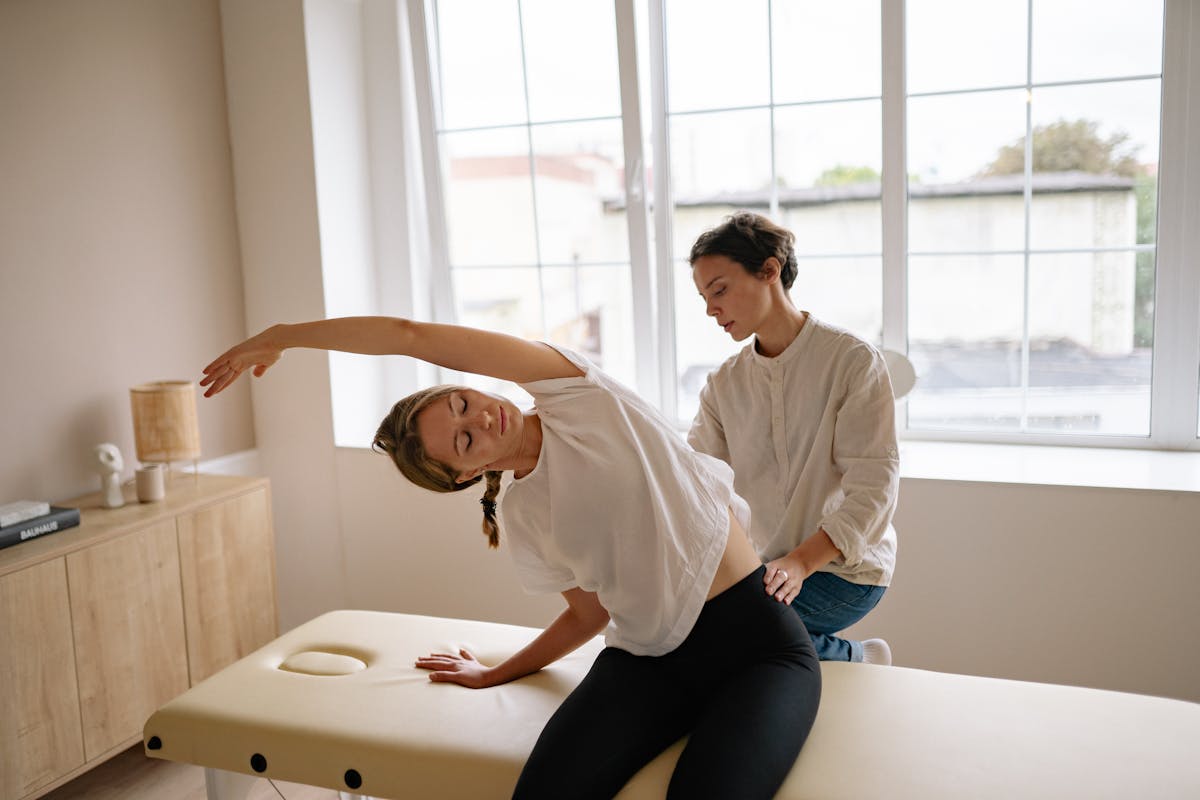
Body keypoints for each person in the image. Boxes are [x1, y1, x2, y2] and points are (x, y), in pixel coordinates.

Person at [200, 316, 820, 800]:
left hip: (755, 649)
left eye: (463, 405)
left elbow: (409, 336)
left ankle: (840, 650)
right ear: (465, 474)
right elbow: (587, 616)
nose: (482, 420)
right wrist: (495, 673)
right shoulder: (524, 513)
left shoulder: (578, 396)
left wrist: (283, 337)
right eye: (464, 441)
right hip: (649, 662)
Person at [688, 212, 899, 665]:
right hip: (764, 570)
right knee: (678, 621)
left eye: (719, 290)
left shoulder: (852, 361)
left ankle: (857, 657)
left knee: (723, 632)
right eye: (704, 297)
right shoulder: (724, 384)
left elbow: (874, 490)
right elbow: (698, 483)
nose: (710, 309)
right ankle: (843, 656)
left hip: (845, 571)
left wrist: (801, 562)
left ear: (769, 271)